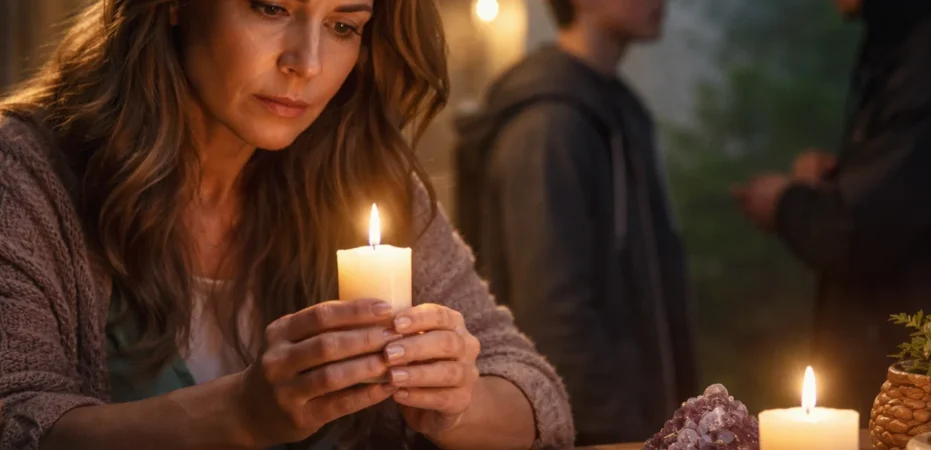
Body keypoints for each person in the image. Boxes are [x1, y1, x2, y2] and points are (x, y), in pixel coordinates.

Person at [0, 1, 574, 449]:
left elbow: (537, 396)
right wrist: (241, 415)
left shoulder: (361, 171)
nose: (308, 63)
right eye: (271, 8)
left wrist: (455, 405)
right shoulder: (26, 175)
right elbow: (18, 421)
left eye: (344, 26)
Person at [733, 0, 931, 416]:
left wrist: (785, 202)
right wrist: (839, 180)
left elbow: (861, 229)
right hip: (928, 378)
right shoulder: (923, 47)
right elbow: (910, 187)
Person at [453, 0, 696, 445]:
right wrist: (619, 429)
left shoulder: (615, 109)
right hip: (595, 432)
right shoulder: (550, 124)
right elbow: (551, 311)